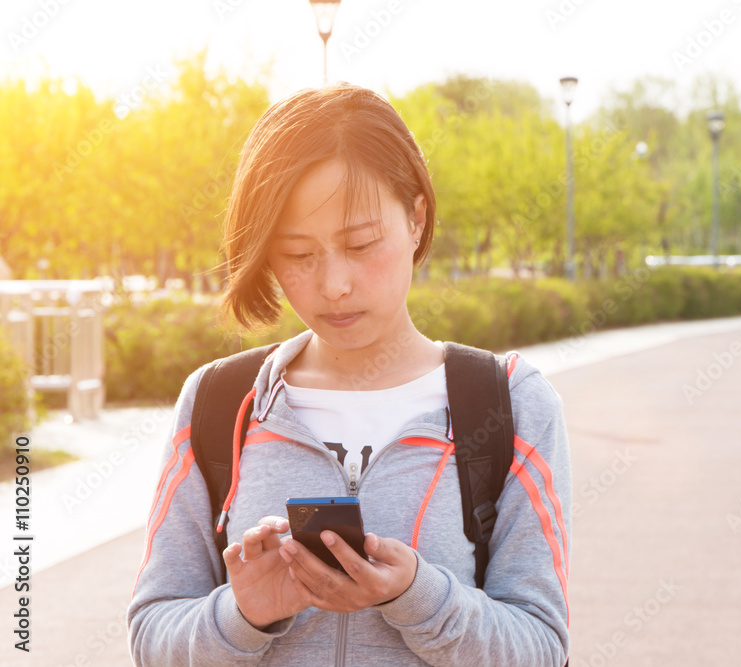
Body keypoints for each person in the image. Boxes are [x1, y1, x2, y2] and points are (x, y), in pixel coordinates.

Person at [126, 83, 572, 666]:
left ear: (415, 219)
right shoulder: (219, 404)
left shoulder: (508, 405)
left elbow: (540, 646)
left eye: (361, 244)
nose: (333, 284)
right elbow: (152, 637)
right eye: (299, 255)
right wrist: (243, 615)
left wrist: (419, 597)